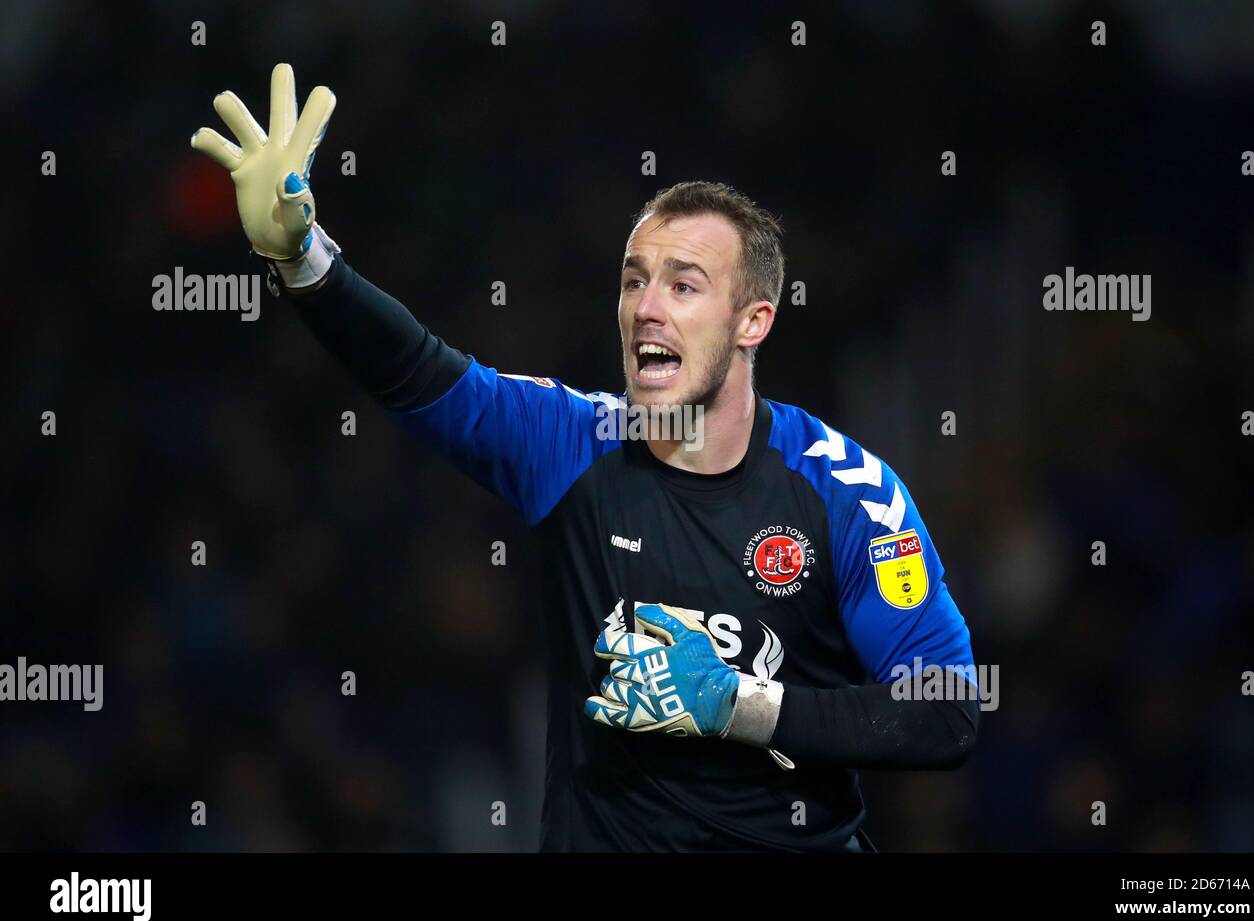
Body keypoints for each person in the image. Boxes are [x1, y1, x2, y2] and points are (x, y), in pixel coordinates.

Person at [191, 64, 979, 852]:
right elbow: (419, 371)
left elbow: (945, 713)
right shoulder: (571, 444)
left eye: (684, 285)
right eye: (635, 280)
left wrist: (738, 705)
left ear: (753, 321)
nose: (645, 307)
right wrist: (303, 261)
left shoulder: (850, 494)